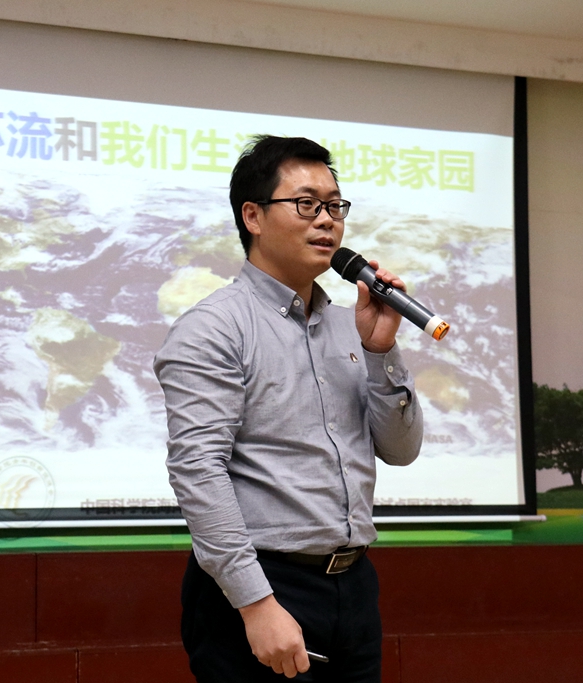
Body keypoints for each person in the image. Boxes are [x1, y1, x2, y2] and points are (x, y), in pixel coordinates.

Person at [154, 135, 424, 682]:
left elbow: (401, 450)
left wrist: (381, 352)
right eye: (306, 204)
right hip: (263, 585)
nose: (326, 220)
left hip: (353, 585)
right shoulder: (214, 328)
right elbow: (198, 470)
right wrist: (256, 604)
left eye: (335, 206)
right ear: (252, 216)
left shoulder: (353, 326)